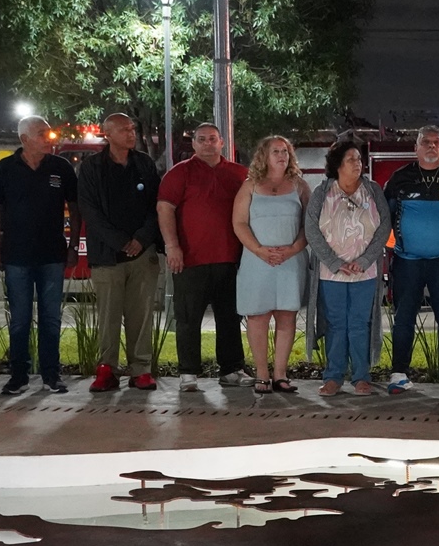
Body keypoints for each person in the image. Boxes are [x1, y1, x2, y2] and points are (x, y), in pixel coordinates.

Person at [0, 116, 80, 395]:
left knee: (51, 318)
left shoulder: (61, 167)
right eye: (42, 133)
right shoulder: (5, 168)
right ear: (24, 139)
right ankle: (18, 376)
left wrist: (73, 246)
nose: (49, 138)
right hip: (16, 256)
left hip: (52, 255)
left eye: (49, 133)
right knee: (19, 320)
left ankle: (51, 374)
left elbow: (76, 208)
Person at [158, 123, 253, 393]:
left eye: (212, 139)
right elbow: (164, 209)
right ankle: (188, 373)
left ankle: (231, 370)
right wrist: (172, 246)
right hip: (189, 260)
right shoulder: (179, 173)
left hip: (230, 259)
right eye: (202, 139)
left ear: (222, 142)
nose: (207, 144)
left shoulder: (239, 174)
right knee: (188, 319)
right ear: (194, 144)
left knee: (230, 318)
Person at [384, 126, 439, 396]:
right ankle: (399, 374)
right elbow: (385, 214)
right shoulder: (400, 178)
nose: (431, 146)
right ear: (416, 148)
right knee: (403, 317)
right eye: (426, 142)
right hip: (406, 260)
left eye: (437, 143)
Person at [78, 113, 162, 392]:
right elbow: (89, 210)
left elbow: (157, 205)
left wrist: (141, 239)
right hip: (107, 255)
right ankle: (107, 370)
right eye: (125, 129)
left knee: (141, 315)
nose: (131, 133)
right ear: (108, 134)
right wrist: (120, 241)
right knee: (108, 316)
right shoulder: (91, 167)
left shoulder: (144, 163)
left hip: (142, 254)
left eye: (132, 129)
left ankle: (141, 370)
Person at [304, 139, 391, 397]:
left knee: (360, 323)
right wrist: (334, 262)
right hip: (331, 273)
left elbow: (384, 227)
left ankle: (361, 377)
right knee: (335, 323)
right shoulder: (323, 193)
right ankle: (333, 377)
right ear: (337, 165)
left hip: (365, 272)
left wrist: (364, 260)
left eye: (359, 159)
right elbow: (311, 230)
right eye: (351, 159)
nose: (358, 164)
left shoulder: (372, 191)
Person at [233, 136, 311, 395]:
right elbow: (239, 223)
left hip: (290, 261)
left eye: (285, 151)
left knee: (286, 316)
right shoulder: (250, 186)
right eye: (276, 151)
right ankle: (262, 374)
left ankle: (280, 374)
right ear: (264, 156)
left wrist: (293, 249)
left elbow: (309, 224)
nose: (281, 156)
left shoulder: (299, 186)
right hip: (257, 261)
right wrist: (259, 250)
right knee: (257, 317)